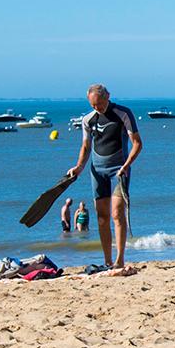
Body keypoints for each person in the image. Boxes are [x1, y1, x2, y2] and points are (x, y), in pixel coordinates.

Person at [67, 84, 142, 270]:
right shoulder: (88, 119)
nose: (97, 108)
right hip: (97, 170)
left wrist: (126, 165)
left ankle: (120, 260)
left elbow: (137, 144)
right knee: (102, 217)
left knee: (117, 213)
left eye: (100, 104)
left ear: (108, 96)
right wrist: (78, 167)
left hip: (119, 169)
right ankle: (107, 260)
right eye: (93, 105)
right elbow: (85, 147)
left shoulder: (123, 113)